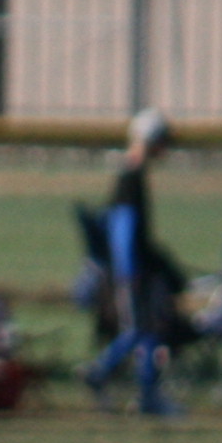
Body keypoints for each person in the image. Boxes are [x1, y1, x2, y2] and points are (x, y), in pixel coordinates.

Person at [84, 110, 193, 415]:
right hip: (132, 273)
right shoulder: (130, 179)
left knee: (149, 330)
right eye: (162, 141)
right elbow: (124, 230)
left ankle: (145, 393)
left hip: (138, 269)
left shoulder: (135, 176)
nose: (165, 149)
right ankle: (100, 373)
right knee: (138, 329)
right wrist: (130, 273)